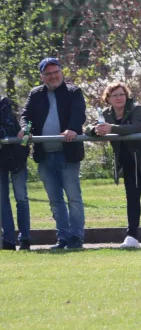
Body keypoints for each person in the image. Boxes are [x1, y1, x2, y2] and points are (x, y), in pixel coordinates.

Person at [87, 82, 141, 248]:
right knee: (132, 198)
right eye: (114, 95)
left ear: (127, 95)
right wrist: (96, 130)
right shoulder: (105, 113)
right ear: (108, 98)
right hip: (128, 162)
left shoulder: (137, 108)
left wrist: (111, 128)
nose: (118, 98)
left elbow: (136, 127)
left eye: (121, 94)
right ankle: (131, 236)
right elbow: (87, 128)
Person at [19, 57, 86, 249]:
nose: (53, 76)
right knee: (55, 201)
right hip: (45, 156)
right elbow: (26, 116)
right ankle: (62, 238)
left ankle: (76, 238)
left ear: (61, 72)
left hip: (68, 154)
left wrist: (73, 128)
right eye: (48, 74)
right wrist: (25, 129)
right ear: (42, 76)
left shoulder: (73, 91)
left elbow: (79, 113)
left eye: (56, 72)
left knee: (73, 198)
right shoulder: (35, 94)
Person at [0, 96, 31, 251]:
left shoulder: (4, 103)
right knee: (2, 200)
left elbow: (10, 129)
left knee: (21, 198)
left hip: (16, 156)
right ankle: (8, 240)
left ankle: (25, 238)